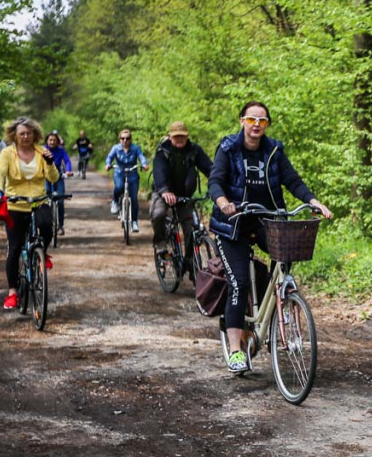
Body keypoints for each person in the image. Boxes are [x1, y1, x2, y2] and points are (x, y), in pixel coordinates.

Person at [209, 101, 331, 374]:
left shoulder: (274, 151)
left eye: (262, 121)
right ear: (242, 120)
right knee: (238, 282)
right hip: (233, 224)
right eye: (251, 119)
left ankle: (282, 304)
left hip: (266, 220)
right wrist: (222, 201)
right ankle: (236, 350)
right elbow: (215, 180)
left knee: (284, 259)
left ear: (267, 125)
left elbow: (293, 180)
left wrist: (313, 201)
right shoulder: (228, 148)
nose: (256, 125)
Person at [0, 117, 60, 310]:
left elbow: (54, 178)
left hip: (38, 200)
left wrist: (50, 163)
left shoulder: (41, 152)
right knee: (14, 248)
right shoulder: (7, 153)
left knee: (47, 227)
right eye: (22, 133)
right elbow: (0, 173)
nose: (26, 136)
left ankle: (41, 253)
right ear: (15, 135)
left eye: (29, 133)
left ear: (35, 134)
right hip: (15, 203)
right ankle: (12, 292)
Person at [150, 121, 213, 281]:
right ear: (170, 136)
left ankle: (190, 262)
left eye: (182, 136)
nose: (179, 139)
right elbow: (159, 172)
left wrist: (218, 185)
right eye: (176, 136)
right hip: (164, 192)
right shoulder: (162, 151)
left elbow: (209, 169)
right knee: (158, 213)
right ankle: (161, 242)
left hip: (184, 195)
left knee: (191, 229)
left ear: (187, 136)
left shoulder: (194, 150)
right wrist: (164, 191)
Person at [104, 129, 149, 232]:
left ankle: (134, 222)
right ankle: (115, 202)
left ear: (131, 139)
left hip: (132, 174)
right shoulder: (116, 148)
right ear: (120, 139)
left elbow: (141, 157)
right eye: (123, 138)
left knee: (133, 198)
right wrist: (108, 164)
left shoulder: (135, 148)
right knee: (119, 187)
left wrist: (144, 164)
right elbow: (109, 157)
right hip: (119, 172)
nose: (125, 140)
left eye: (127, 138)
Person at [44, 131, 73, 235]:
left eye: (54, 140)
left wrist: (68, 171)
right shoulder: (42, 150)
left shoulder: (61, 151)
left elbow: (67, 161)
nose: (52, 142)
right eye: (50, 140)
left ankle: (60, 225)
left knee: (60, 201)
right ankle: (45, 223)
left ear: (57, 142)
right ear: (47, 141)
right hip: (45, 176)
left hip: (58, 177)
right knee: (45, 197)